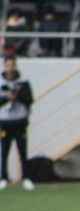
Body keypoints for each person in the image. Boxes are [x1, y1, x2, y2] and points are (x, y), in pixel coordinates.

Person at [0, 56, 34, 191]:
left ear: (16, 66)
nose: (10, 68)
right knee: (4, 151)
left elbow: (29, 100)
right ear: (4, 66)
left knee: (22, 151)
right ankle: (3, 178)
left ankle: (26, 178)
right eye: (8, 65)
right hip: (4, 122)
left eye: (12, 65)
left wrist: (17, 96)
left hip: (20, 121)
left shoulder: (23, 82)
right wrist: (5, 97)